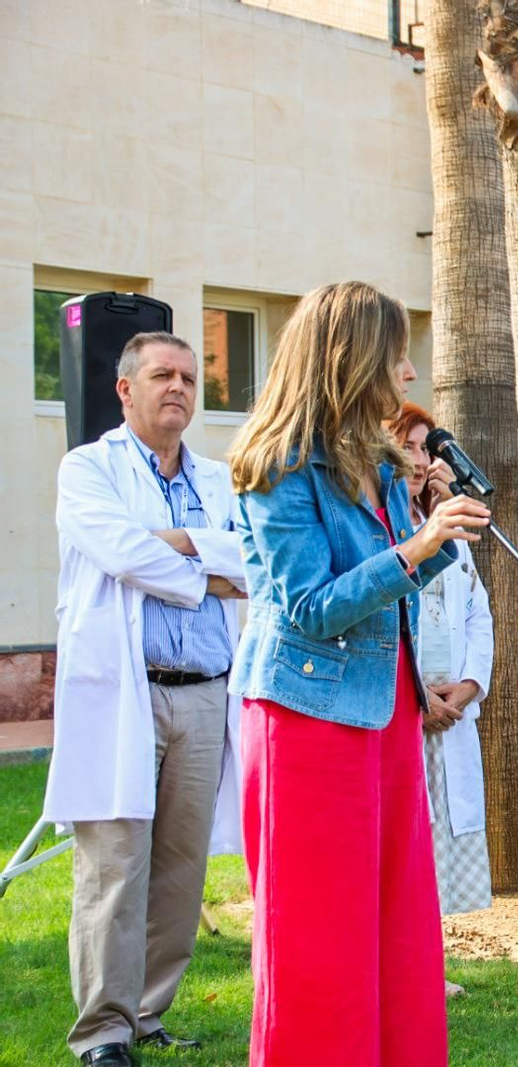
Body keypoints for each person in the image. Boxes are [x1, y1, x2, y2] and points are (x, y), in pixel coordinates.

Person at [229, 282, 491, 1063]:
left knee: (396, 926)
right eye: (397, 354)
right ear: (353, 359)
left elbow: (397, 587)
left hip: (386, 718)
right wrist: (416, 547)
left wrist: (437, 532)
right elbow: (311, 605)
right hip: (308, 725)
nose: (409, 373)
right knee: (318, 939)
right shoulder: (278, 465)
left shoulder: (376, 460)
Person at [43, 331, 248, 1067]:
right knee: (114, 865)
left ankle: (148, 1010)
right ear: (125, 389)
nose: (180, 389)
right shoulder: (87, 469)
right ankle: (103, 1033)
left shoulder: (221, 479)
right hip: (126, 692)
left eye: (190, 378)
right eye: (163, 375)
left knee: (179, 867)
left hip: (203, 696)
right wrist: (203, 560)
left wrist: (180, 542)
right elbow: (119, 550)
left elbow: (249, 559)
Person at [390, 402, 496, 992]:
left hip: (451, 711)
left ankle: (426, 964)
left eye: (426, 448)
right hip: (402, 708)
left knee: (437, 840)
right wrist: (417, 694)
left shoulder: (447, 527)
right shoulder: (381, 528)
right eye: (407, 446)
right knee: (404, 840)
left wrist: (470, 685)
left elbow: (479, 614)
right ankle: (400, 966)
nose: (419, 460)